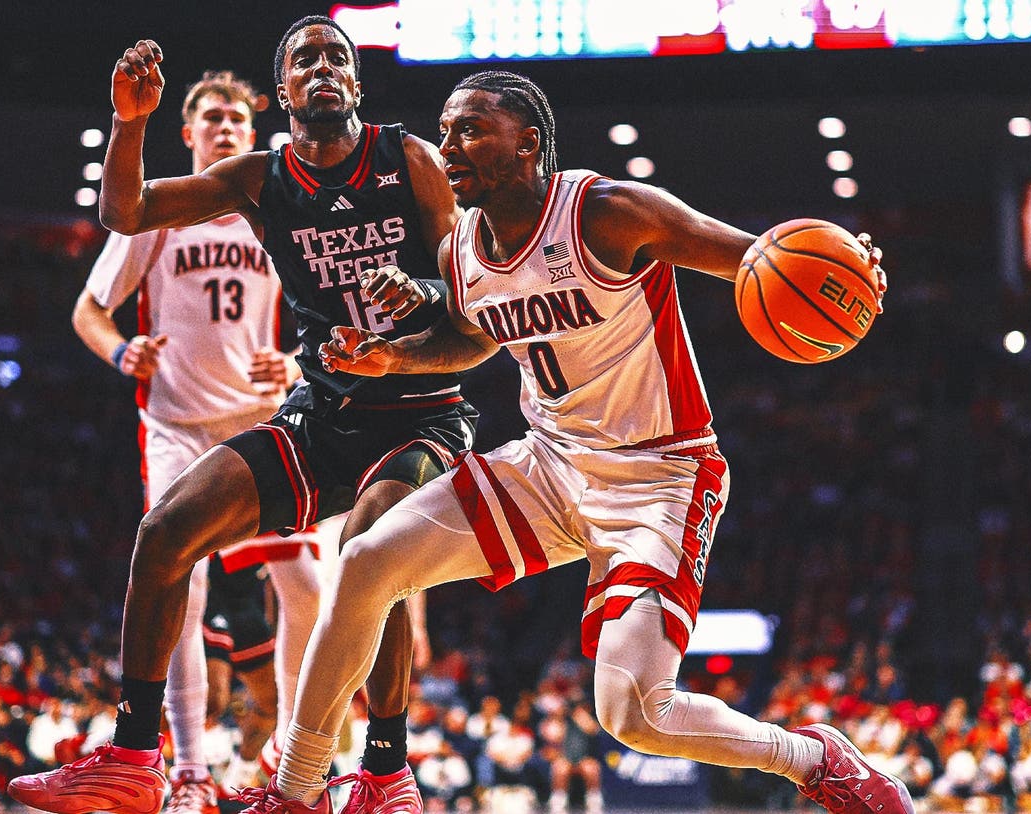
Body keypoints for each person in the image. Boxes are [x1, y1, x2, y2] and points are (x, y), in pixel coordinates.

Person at [244, 70, 912, 814]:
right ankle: (297, 789)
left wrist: (844, 271)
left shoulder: (607, 212)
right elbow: (468, 338)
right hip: (550, 462)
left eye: (471, 128)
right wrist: (394, 356)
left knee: (634, 711)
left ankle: (814, 759)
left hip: (660, 473)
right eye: (446, 128)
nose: (449, 144)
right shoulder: (458, 251)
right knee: (366, 560)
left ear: (528, 145)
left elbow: (757, 260)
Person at [7, 15, 472, 814]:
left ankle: (385, 773)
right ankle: (133, 758)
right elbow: (126, 212)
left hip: (419, 414)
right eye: (304, 59)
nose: (322, 67)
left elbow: (471, 308)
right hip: (320, 416)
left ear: (355, 84)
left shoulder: (411, 160)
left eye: (337, 57)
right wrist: (130, 123)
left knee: (369, 551)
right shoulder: (259, 180)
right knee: (164, 534)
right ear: (284, 90)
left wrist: (420, 298)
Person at [69, 68, 310, 814]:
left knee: (311, 587)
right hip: (175, 429)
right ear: (189, 133)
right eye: (212, 117)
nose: (226, 127)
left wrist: (296, 358)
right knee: (183, 582)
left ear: (252, 134)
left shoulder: (273, 211)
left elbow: (328, 315)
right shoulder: (163, 212)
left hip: (259, 420)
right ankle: (192, 770)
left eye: (237, 119)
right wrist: (120, 351)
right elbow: (88, 309)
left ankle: (290, 756)